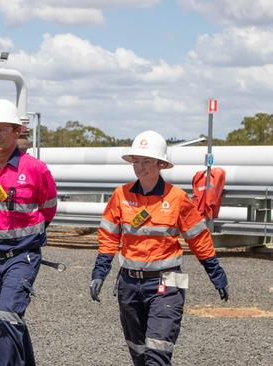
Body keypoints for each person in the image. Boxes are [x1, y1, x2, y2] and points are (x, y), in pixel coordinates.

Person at [89, 130, 229, 366]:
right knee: (140, 353)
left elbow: (198, 237)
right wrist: (99, 272)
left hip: (170, 281)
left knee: (158, 352)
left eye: (147, 161)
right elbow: (109, 237)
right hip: (128, 284)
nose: (141, 167)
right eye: (137, 161)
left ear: (161, 163)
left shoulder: (177, 198)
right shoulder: (119, 195)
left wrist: (216, 274)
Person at [0, 99, 58, 366]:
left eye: (2, 130)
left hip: (22, 256)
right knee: (5, 321)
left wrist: (28, 235)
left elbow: (49, 208)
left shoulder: (35, 169)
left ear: (16, 132)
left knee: (7, 316)